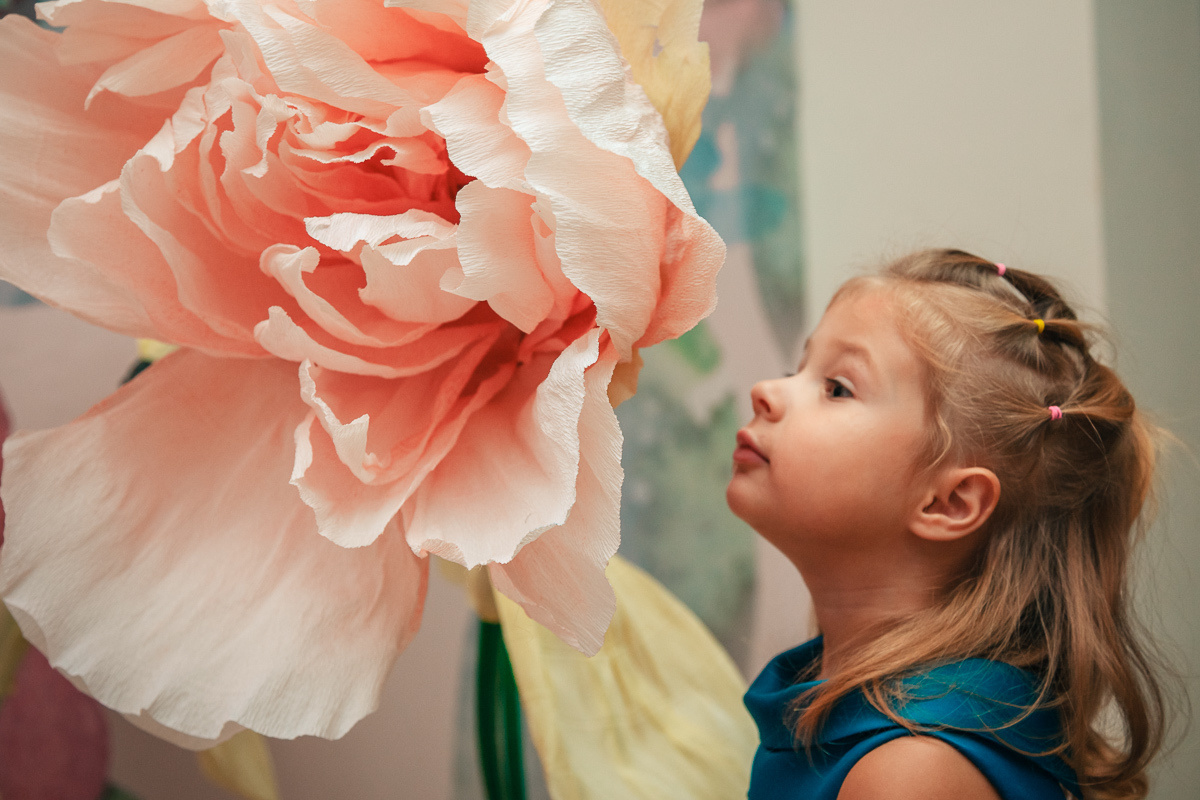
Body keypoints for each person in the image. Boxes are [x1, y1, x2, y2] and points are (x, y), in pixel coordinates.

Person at [727, 249, 1170, 800]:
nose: (767, 391)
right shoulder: (868, 725)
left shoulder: (911, 773)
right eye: (801, 368)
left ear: (950, 502)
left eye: (836, 387)